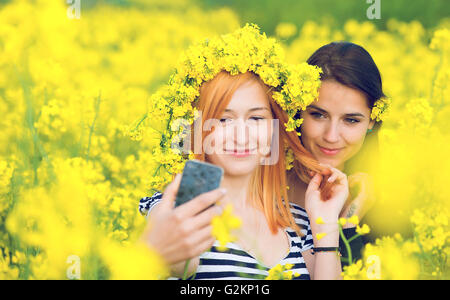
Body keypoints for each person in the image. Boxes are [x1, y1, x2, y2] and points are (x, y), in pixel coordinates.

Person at [142, 70, 347, 280]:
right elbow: (178, 261)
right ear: (196, 129)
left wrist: (327, 226)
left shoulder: (299, 223)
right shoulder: (175, 209)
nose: (241, 137)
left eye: (256, 118)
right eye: (223, 120)